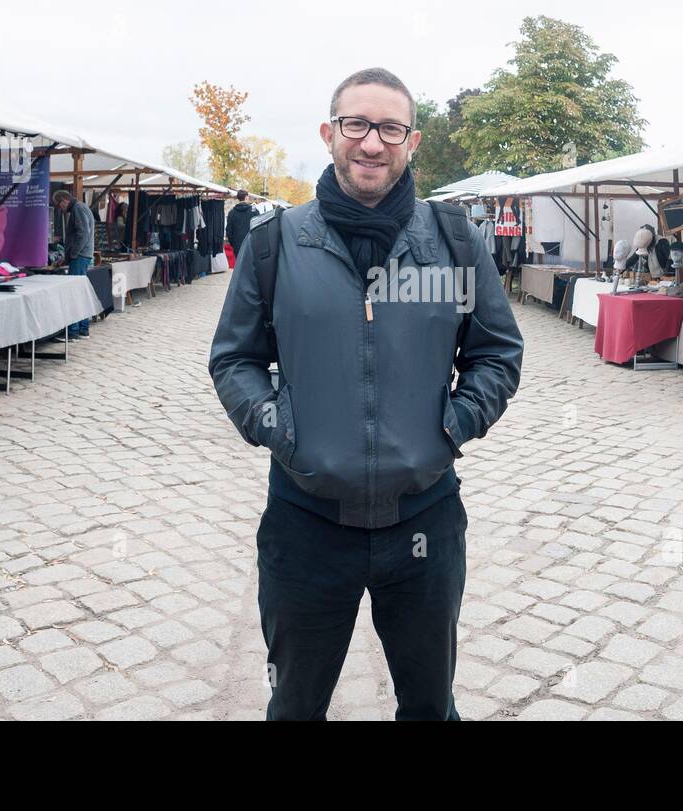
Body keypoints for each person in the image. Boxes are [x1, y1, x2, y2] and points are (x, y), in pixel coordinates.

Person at [209, 67, 523, 720]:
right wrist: (280, 427)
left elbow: (497, 353)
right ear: (330, 134)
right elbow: (235, 359)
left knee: (430, 705)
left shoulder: (454, 242)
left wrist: (451, 426)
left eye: (389, 127)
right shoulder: (275, 244)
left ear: (413, 142)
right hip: (305, 523)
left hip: (424, 522)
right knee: (294, 703)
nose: (372, 142)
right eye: (357, 124)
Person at [52, 189, 95, 338]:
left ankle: (73, 331)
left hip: (80, 256)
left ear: (64, 200)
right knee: (79, 293)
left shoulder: (78, 208)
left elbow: (83, 234)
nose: (60, 209)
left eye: (59, 205)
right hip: (80, 256)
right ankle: (82, 329)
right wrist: (67, 257)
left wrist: (73, 254)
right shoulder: (80, 208)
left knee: (74, 294)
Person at [226, 189, 256, 253]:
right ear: (246, 197)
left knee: (238, 261)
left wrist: (232, 242)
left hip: (237, 243)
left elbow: (229, 230)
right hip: (250, 242)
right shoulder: (254, 211)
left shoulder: (232, 213)